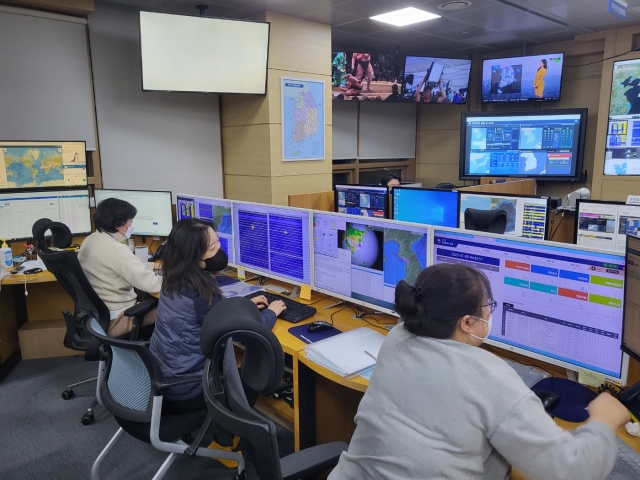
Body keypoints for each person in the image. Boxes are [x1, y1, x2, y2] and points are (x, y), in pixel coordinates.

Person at [328, 263, 629, 480]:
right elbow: (572, 469)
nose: (490, 312)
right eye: (488, 306)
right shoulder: (490, 377)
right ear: (467, 323)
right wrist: (605, 419)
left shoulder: (398, 336)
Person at [149, 219, 286, 413]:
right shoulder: (201, 292)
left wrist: (244, 305)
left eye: (218, 241)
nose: (220, 248)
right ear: (195, 257)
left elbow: (213, 314)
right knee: (257, 371)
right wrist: (271, 312)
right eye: (213, 247)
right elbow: (244, 333)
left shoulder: (174, 276)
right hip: (186, 387)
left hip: (163, 372)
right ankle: (238, 423)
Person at [78, 198, 162, 337]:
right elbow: (154, 285)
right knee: (173, 309)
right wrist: (181, 278)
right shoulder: (118, 251)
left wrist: (155, 265)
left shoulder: (92, 240)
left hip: (97, 319)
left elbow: (122, 267)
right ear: (119, 225)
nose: (131, 225)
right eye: (130, 221)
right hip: (118, 320)